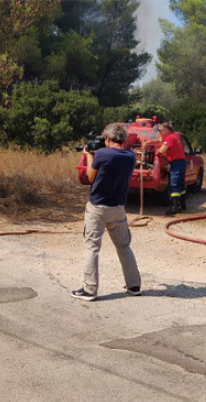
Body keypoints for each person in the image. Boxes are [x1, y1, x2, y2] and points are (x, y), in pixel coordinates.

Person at [72, 122, 142, 302]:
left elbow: (90, 176)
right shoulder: (130, 156)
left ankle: (89, 290)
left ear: (108, 138)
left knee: (92, 247)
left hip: (98, 207)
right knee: (124, 246)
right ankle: (134, 285)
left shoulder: (102, 154)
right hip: (119, 208)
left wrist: (88, 156)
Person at [157, 122, 186, 215]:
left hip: (176, 163)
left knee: (174, 184)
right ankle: (182, 204)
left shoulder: (170, 138)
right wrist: (148, 142)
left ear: (166, 131)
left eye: (160, 131)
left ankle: (175, 208)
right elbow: (159, 140)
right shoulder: (173, 136)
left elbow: (161, 150)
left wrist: (156, 152)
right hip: (180, 162)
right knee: (180, 184)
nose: (159, 132)